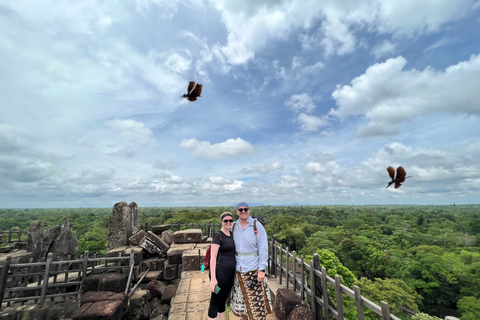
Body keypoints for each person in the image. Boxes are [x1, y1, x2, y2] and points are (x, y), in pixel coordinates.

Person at [230, 202, 272, 320]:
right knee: (242, 303)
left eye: (245, 209)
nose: (243, 211)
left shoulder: (257, 226)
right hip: (238, 268)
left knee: (256, 305)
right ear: (237, 211)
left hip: (253, 268)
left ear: (249, 210)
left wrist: (262, 269)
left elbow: (263, 248)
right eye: (240, 209)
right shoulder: (234, 226)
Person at [208, 212, 236, 320]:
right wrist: (213, 279)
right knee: (215, 302)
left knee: (222, 300)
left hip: (229, 275)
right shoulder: (218, 235)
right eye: (226, 221)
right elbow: (213, 257)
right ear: (222, 222)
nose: (228, 222)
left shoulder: (232, 234)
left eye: (230, 220)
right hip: (219, 274)